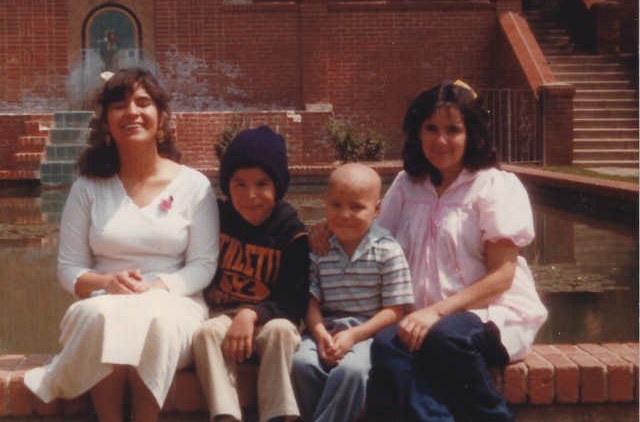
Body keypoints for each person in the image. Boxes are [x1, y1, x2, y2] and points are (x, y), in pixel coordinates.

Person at [311, 80, 548, 421]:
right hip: (418, 322)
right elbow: (370, 236)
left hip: (486, 314)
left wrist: (436, 313)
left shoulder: (493, 185)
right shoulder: (408, 186)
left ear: (472, 134)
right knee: (387, 344)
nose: (440, 140)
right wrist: (329, 226)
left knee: (444, 338)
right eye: (431, 129)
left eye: (453, 130)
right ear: (418, 133)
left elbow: (502, 277)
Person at [23, 67, 219, 422]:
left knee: (154, 316)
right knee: (101, 315)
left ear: (161, 119)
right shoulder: (88, 188)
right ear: (107, 124)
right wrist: (106, 284)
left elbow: (203, 265)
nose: (131, 111)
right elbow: (69, 268)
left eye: (143, 102)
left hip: (174, 305)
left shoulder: (194, 186)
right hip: (104, 302)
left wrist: (158, 287)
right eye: (119, 105)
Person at [193, 125, 310, 422]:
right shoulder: (217, 218)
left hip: (270, 319)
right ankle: (225, 414)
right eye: (239, 184)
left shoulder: (291, 232)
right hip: (223, 316)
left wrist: (252, 314)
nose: (251, 195)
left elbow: (295, 301)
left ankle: (278, 414)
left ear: (278, 186)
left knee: (281, 331)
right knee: (206, 333)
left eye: (262, 184)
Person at [291, 163, 414, 422]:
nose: (344, 214)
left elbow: (395, 310)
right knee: (300, 364)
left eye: (356, 207)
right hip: (325, 329)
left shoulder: (387, 250)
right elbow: (310, 302)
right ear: (325, 203)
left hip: (369, 333)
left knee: (352, 371)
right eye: (335, 205)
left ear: (376, 209)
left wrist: (354, 335)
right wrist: (321, 333)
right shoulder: (320, 249)